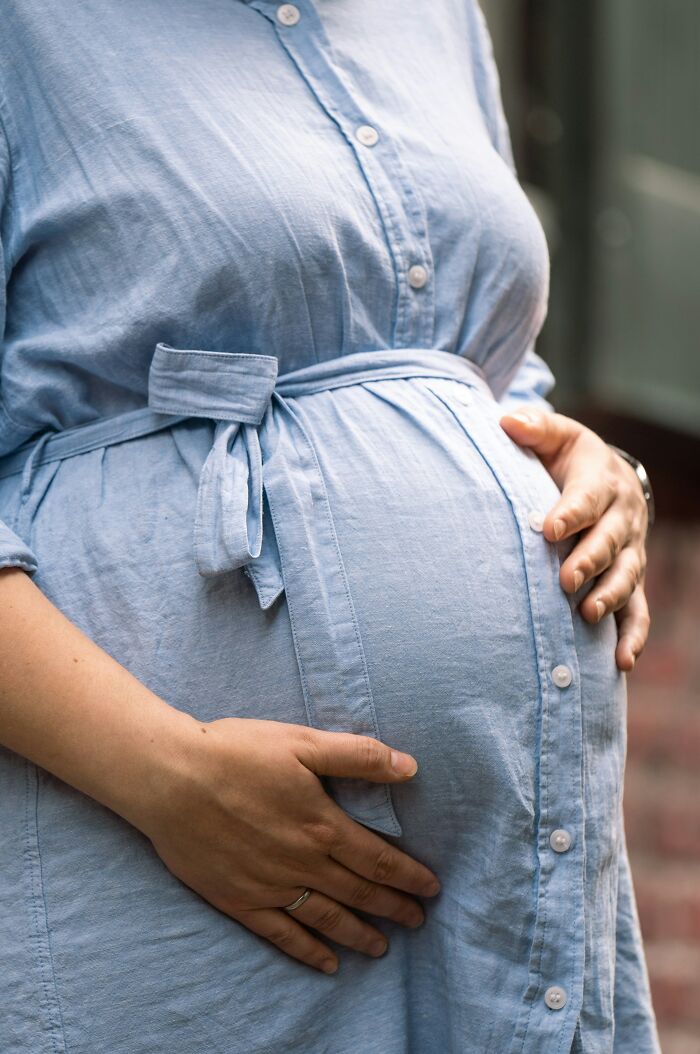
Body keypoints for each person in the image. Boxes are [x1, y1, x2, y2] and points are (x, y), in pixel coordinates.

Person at [0, 1, 660, 1052]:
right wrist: (162, 774)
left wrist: (595, 469)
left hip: (510, 865)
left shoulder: (435, 17)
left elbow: (491, 367)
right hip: (173, 862)